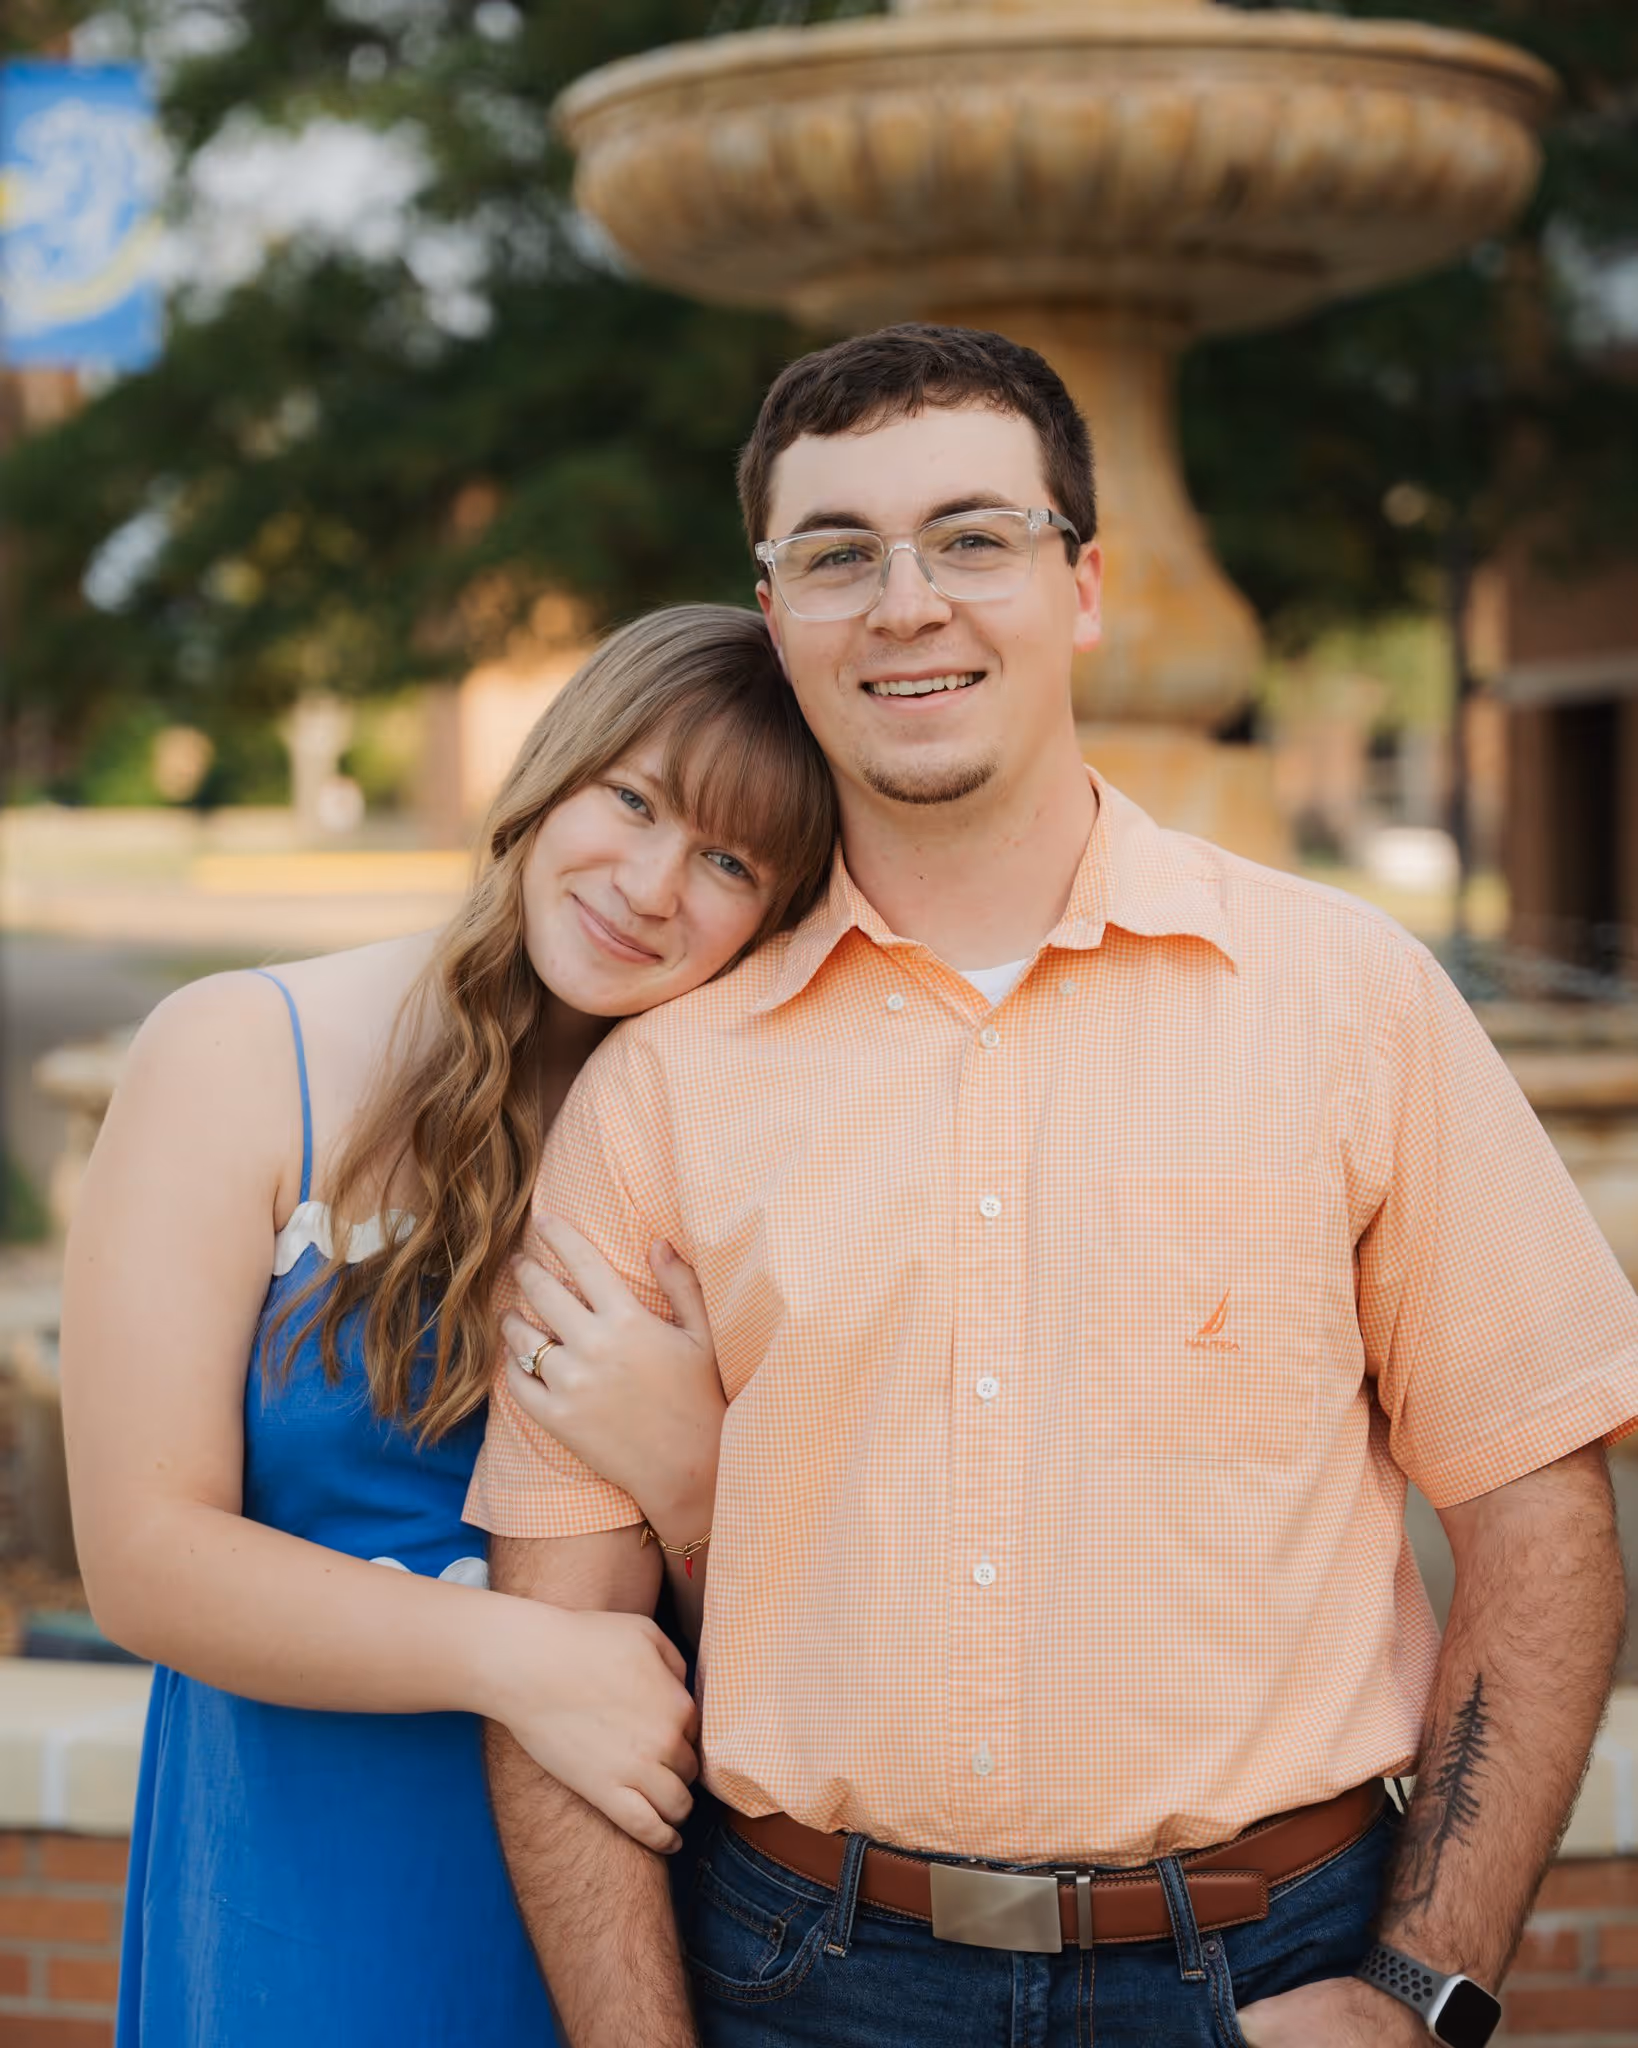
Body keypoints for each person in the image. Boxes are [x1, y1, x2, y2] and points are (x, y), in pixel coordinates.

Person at [471, 324, 1638, 2048]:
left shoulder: (1347, 999)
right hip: (804, 1978)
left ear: (1080, 588)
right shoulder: (663, 1087)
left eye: (971, 537)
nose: (905, 601)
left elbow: (1538, 1525)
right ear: (777, 614)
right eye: (835, 555)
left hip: (1269, 1967)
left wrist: (1419, 1991)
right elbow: (554, 1673)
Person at [59, 605, 836, 2048]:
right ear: (553, 773)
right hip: (309, 1884)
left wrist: (689, 1482)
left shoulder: (744, 1162)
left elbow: (846, 1624)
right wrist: (521, 1660)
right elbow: (143, 1560)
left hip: (646, 1905)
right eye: (635, 801)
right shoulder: (239, 1054)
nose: (652, 885)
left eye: (729, 862)